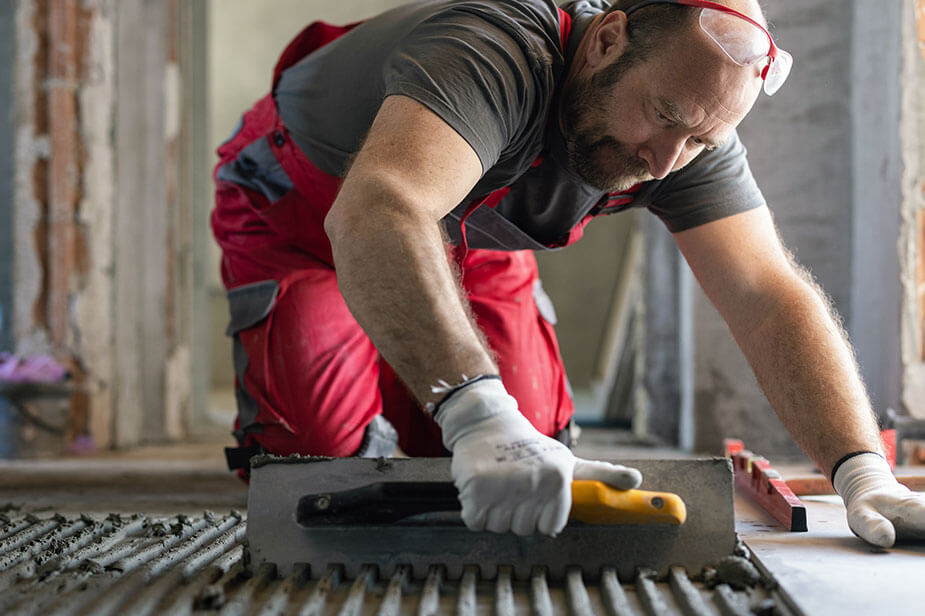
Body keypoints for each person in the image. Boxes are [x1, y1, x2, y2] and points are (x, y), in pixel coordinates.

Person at [212, 0, 925, 545]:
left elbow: (766, 296)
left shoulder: (684, 135)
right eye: (662, 115)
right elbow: (380, 210)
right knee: (317, 479)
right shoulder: (495, 52)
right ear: (605, 40)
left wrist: (858, 469)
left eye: (700, 140)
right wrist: (474, 411)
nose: (664, 161)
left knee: (531, 463)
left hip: (475, 236)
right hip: (309, 209)